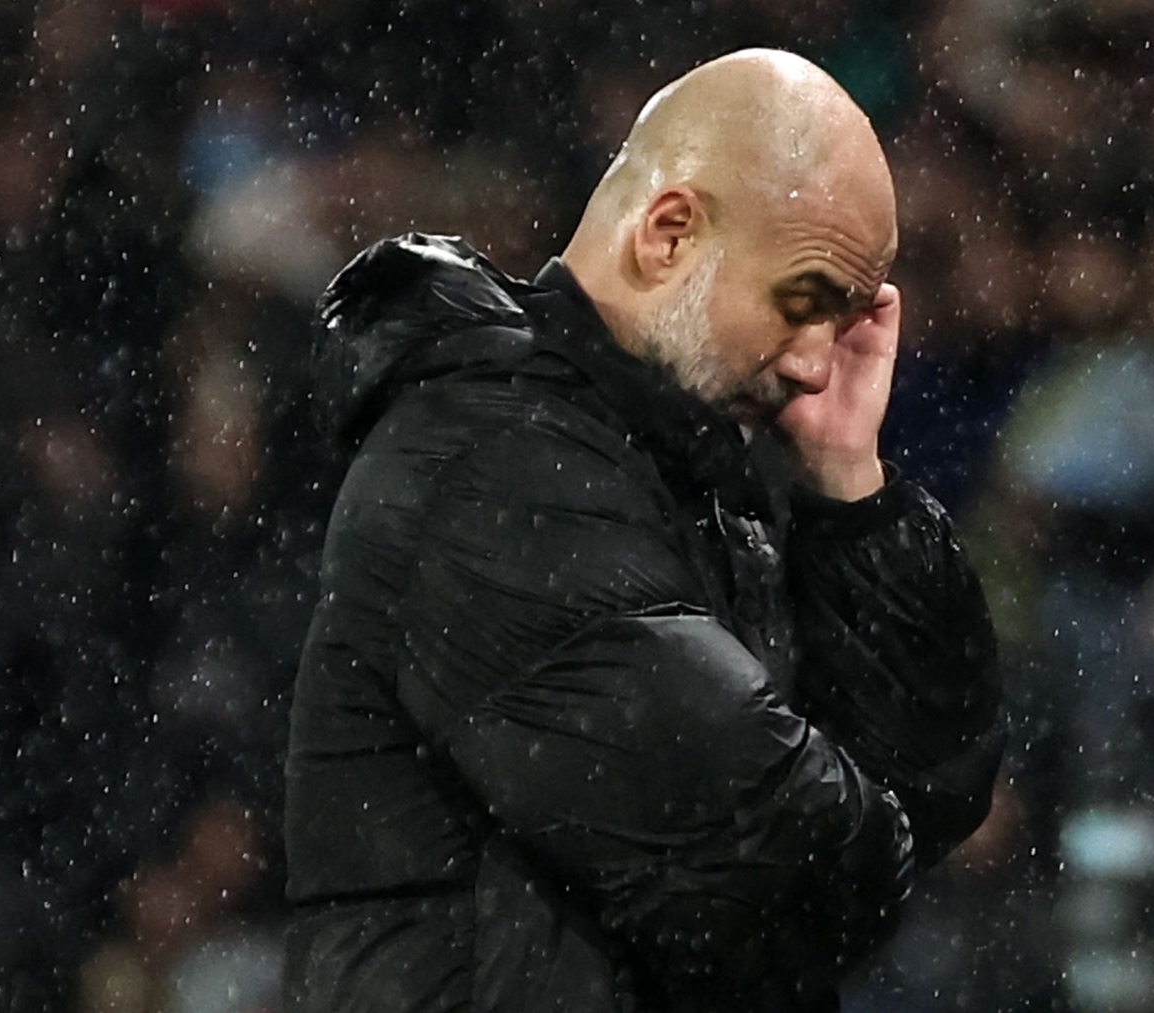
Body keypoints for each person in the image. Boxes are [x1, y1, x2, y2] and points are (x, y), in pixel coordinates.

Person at [281, 49, 1005, 1013]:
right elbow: (784, 873)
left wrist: (851, 491)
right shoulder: (493, 464)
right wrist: (870, 833)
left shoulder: (694, 473)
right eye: (806, 302)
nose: (820, 368)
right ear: (668, 235)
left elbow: (939, 792)